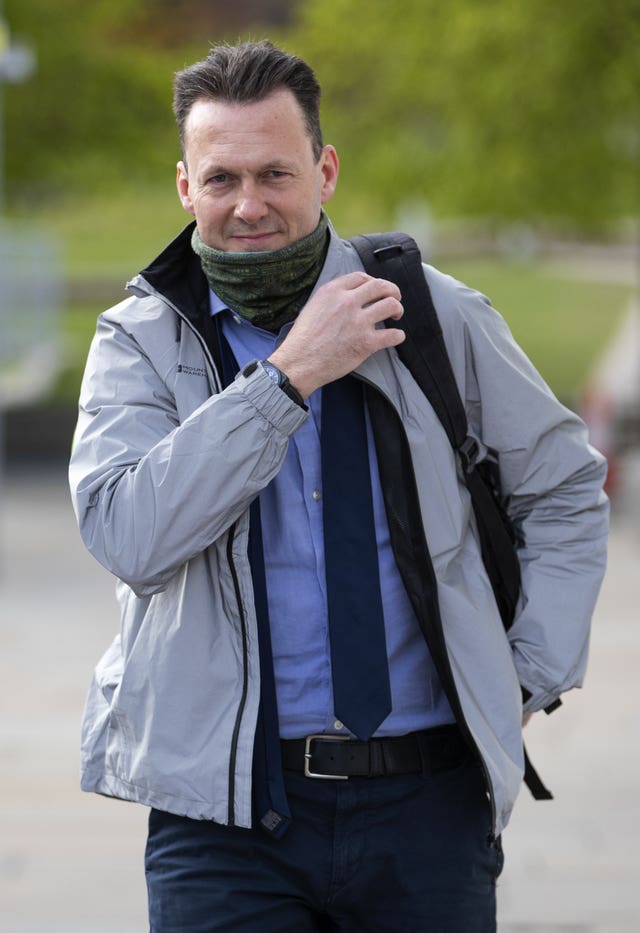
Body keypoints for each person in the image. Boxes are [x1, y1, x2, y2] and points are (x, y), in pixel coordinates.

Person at [69, 40, 608, 932]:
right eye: (221, 178)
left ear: (325, 170)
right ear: (184, 187)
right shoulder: (137, 342)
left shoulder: (436, 314)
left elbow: (562, 488)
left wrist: (521, 670)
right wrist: (286, 378)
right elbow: (129, 537)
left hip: (427, 805)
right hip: (225, 816)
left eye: (275, 173)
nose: (248, 205)